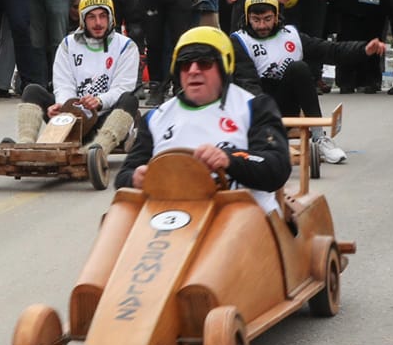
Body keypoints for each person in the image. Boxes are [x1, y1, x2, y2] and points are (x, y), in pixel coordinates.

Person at [114, 27, 293, 216]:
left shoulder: (254, 107)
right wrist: (135, 178)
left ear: (224, 67)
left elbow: (277, 167)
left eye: (204, 63)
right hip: (170, 218)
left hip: (242, 217)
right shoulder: (155, 118)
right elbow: (123, 177)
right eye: (185, 64)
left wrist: (229, 159)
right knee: (115, 217)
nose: (193, 71)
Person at [231, 0, 384, 164]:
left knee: (299, 68)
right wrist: (265, 122)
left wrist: (363, 49)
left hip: (285, 104)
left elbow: (328, 50)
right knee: (247, 88)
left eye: (267, 19)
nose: (262, 26)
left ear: (276, 16)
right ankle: (261, 139)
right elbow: (247, 81)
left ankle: (319, 138)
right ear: (247, 18)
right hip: (258, 109)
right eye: (255, 20)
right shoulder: (239, 40)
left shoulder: (291, 36)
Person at [17, 0, 142, 154]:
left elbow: (122, 87)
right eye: (91, 17)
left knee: (130, 100)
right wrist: (63, 107)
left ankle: (98, 150)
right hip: (71, 120)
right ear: (83, 19)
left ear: (111, 18)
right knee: (32, 90)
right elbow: (63, 83)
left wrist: (99, 101)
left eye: (103, 16)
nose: (98, 22)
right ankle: (25, 146)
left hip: (103, 119)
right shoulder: (68, 44)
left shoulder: (126, 46)